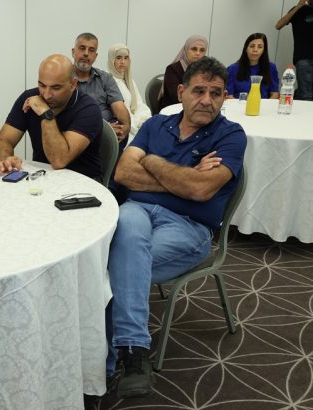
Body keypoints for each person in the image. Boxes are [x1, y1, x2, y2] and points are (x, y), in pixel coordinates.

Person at [106, 56, 246, 398]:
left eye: (216, 93)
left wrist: (151, 161)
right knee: (126, 227)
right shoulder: (156, 125)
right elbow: (123, 173)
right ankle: (132, 353)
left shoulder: (231, 135)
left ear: (224, 97)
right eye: (199, 91)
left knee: (113, 266)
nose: (207, 100)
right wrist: (185, 177)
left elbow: (200, 190)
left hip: (189, 227)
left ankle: (109, 359)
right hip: (137, 210)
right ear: (181, 92)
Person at [0, 54, 103, 181]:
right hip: (42, 178)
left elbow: (59, 160)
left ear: (73, 84)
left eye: (56, 88)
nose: (46, 95)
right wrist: (6, 160)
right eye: (42, 85)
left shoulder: (89, 109)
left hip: (84, 183)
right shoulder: (29, 98)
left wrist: (45, 113)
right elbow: (3, 140)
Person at [71, 33, 131, 152]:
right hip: (77, 133)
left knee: (120, 133)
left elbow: (119, 107)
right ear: (73, 52)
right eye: (82, 48)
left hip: (107, 135)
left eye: (91, 50)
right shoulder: (64, 78)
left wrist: (126, 126)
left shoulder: (105, 78)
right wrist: (102, 129)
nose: (86, 53)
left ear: (95, 56)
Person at [106, 43, 151, 144]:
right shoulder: (109, 81)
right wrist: (140, 125)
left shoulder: (128, 80)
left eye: (126, 58)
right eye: (118, 58)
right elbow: (123, 115)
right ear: (112, 60)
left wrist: (145, 121)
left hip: (136, 123)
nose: (123, 62)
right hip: (126, 129)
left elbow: (139, 105)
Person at [276, 0, 313, 100]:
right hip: (304, 58)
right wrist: (298, 7)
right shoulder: (298, 10)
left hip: (304, 60)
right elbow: (278, 25)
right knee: (307, 95)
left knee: (306, 94)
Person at [158, 35, 209, 110]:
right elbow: (177, 97)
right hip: (174, 110)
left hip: (198, 107)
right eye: (194, 49)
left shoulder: (207, 69)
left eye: (202, 50)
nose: (198, 53)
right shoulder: (172, 69)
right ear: (186, 50)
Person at [226, 33, 279, 99]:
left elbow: (275, 94)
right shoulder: (232, 69)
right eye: (252, 46)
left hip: (263, 105)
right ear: (246, 49)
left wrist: (265, 105)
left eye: (260, 47)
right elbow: (229, 96)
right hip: (238, 104)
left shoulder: (271, 68)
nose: (255, 50)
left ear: (264, 50)